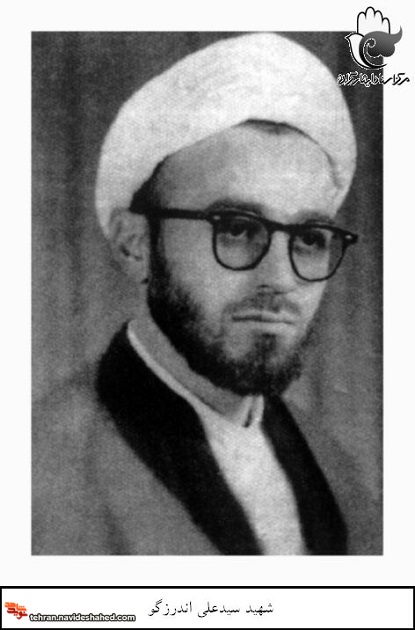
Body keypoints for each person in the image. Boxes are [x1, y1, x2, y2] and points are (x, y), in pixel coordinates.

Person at [33, 33, 370, 555]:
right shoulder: (38, 471)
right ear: (135, 245)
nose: (280, 278)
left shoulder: (335, 469)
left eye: (309, 238)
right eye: (235, 229)